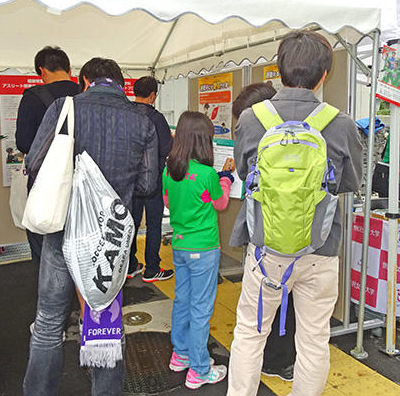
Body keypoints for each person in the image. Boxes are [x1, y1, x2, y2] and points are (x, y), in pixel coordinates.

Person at [227, 31, 363, 396]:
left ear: (279, 69)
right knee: (314, 339)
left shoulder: (252, 119)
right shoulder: (341, 123)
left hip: (265, 248)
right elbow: (351, 182)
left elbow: (244, 173)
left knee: (249, 334)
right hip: (320, 247)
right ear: (324, 75)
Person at [22, 57, 158, 396]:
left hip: (63, 230)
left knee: (49, 322)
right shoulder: (142, 121)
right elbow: (147, 185)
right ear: (122, 83)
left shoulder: (63, 108)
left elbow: (34, 162)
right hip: (111, 237)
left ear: (85, 80)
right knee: (105, 321)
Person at [230, 82, 296, 382]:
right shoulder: (304, 130)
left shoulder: (256, 131)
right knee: (290, 299)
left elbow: (244, 174)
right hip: (303, 233)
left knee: (258, 308)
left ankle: (269, 361)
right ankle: (285, 360)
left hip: (265, 232)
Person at [163, 111, 233, 389]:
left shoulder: (169, 170)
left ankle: (180, 354)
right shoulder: (207, 174)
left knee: (182, 301)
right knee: (201, 309)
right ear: (204, 141)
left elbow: (167, 203)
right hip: (204, 248)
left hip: (180, 245)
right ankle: (200, 369)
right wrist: (226, 178)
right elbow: (221, 203)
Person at [16, 46, 81, 263]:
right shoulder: (85, 94)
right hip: (83, 179)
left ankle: (48, 281)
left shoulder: (33, 97)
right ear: (69, 70)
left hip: (46, 181)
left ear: (41, 71)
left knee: (44, 239)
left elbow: (24, 142)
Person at [127, 76, 174, 282]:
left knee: (131, 223)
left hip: (130, 178)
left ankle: (130, 265)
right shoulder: (156, 118)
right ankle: (152, 268)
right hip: (153, 179)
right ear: (153, 95)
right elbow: (166, 149)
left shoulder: (125, 113)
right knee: (154, 224)